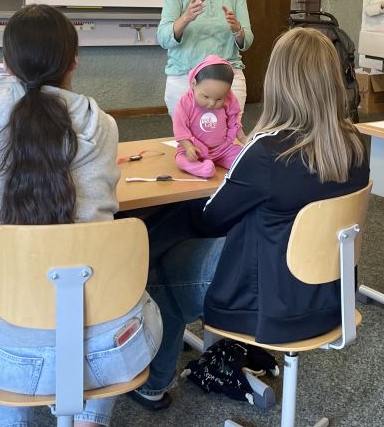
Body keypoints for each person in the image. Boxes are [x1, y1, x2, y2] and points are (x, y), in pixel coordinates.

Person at [0, 4, 162, 427]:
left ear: (6, 63)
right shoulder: (104, 124)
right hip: (110, 353)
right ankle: (89, 420)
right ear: (74, 61)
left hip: (6, 356)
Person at [128, 27, 369, 408]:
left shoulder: (268, 152)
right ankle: (222, 355)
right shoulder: (354, 143)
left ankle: (153, 382)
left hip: (270, 300)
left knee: (160, 272)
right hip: (329, 297)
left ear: (279, 83)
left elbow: (211, 221)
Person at [159, 0, 253, 133]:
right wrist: (185, 19)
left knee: (229, 136)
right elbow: (163, 38)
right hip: (184, 77)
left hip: (227, 77)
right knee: (190, 142)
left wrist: (237, 29)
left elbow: (247, 41)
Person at [173, 55, 243, 178]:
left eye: (219, 98)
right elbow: (180, 128)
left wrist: (243, 138)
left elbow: (234, 121)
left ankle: (237, 163)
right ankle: (202, 168)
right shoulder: (185, 103)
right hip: (196, 150)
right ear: (194, 84)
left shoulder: (229, 100)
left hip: (222, 150)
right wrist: (188, 147)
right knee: (181, 159)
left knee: (243, 156)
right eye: (206, 97)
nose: (211, 103)